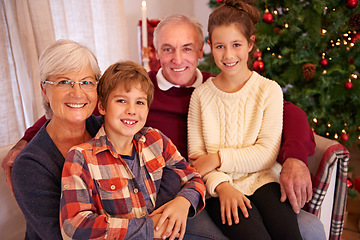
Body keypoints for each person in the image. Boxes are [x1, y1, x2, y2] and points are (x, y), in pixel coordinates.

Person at [3, 13, 324, 240]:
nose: (177, 59)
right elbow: (72, 109)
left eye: (187, 49)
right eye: (167, 49)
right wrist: (25, 140)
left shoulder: (216, 89)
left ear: (202, 52)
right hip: (149, 217)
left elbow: (287, 112)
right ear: (155, 53)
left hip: (189, 198)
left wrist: (294, 156)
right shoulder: (131, 96)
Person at [187, 0, 301, 239]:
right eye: (220, 46)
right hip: (219, 188)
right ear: (209, 46)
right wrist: (222, 187)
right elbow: (198, 162)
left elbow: (266, 154)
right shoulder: (200, 96)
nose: (228, 55)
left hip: (264, 180)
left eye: (236, 44)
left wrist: (218, 157)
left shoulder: (268, 90)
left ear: (250, 44)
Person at [60, 61, 206, 240]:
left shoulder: (155, 139)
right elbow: (74, 225)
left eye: (140, 102)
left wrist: (182, 202)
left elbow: (194, 177)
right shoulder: (81, 157)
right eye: (121, 100)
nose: (131, 110)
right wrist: (148, 228)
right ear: (102, 107)